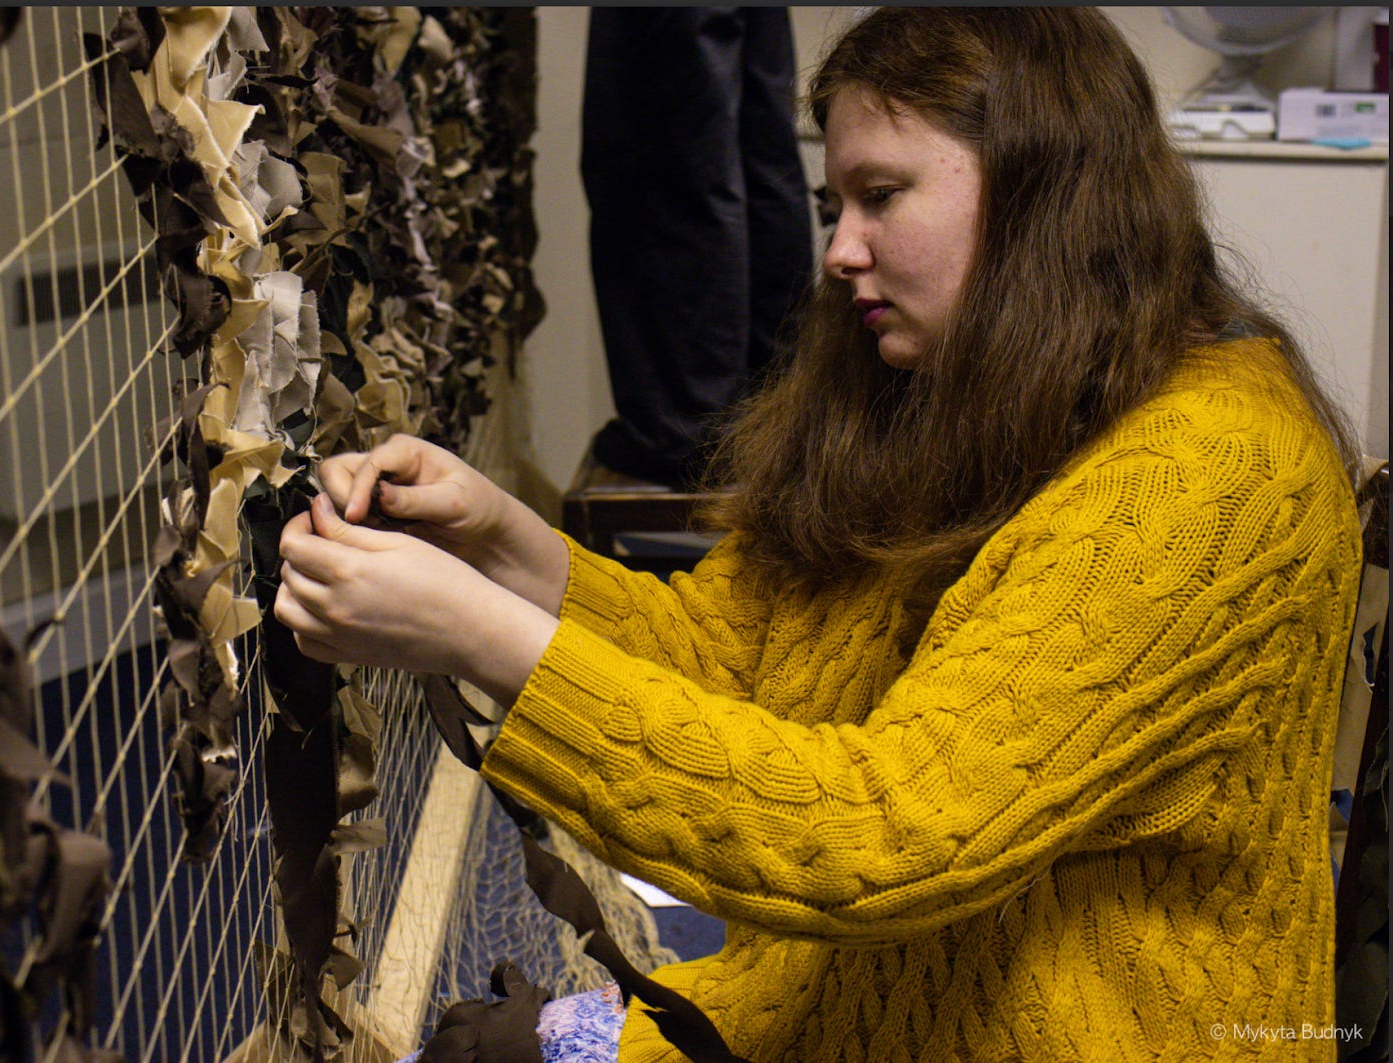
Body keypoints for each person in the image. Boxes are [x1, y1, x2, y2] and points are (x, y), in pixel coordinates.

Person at [275, 8, 1365, 1060]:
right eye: (830, 200)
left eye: (880, 196)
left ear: (1048, 195)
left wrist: (476, 635)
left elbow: (881, 838)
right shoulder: (968, 383)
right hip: (884, 996)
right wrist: (501, 547)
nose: (839, 250)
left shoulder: (1212, 471)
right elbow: (740, 657)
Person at [580, 8, 813, 488]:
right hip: (767, 411)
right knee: (757, 131)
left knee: (661, 141)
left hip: (693, 431)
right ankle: (768, 409)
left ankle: (689, 428)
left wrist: (691, 429)